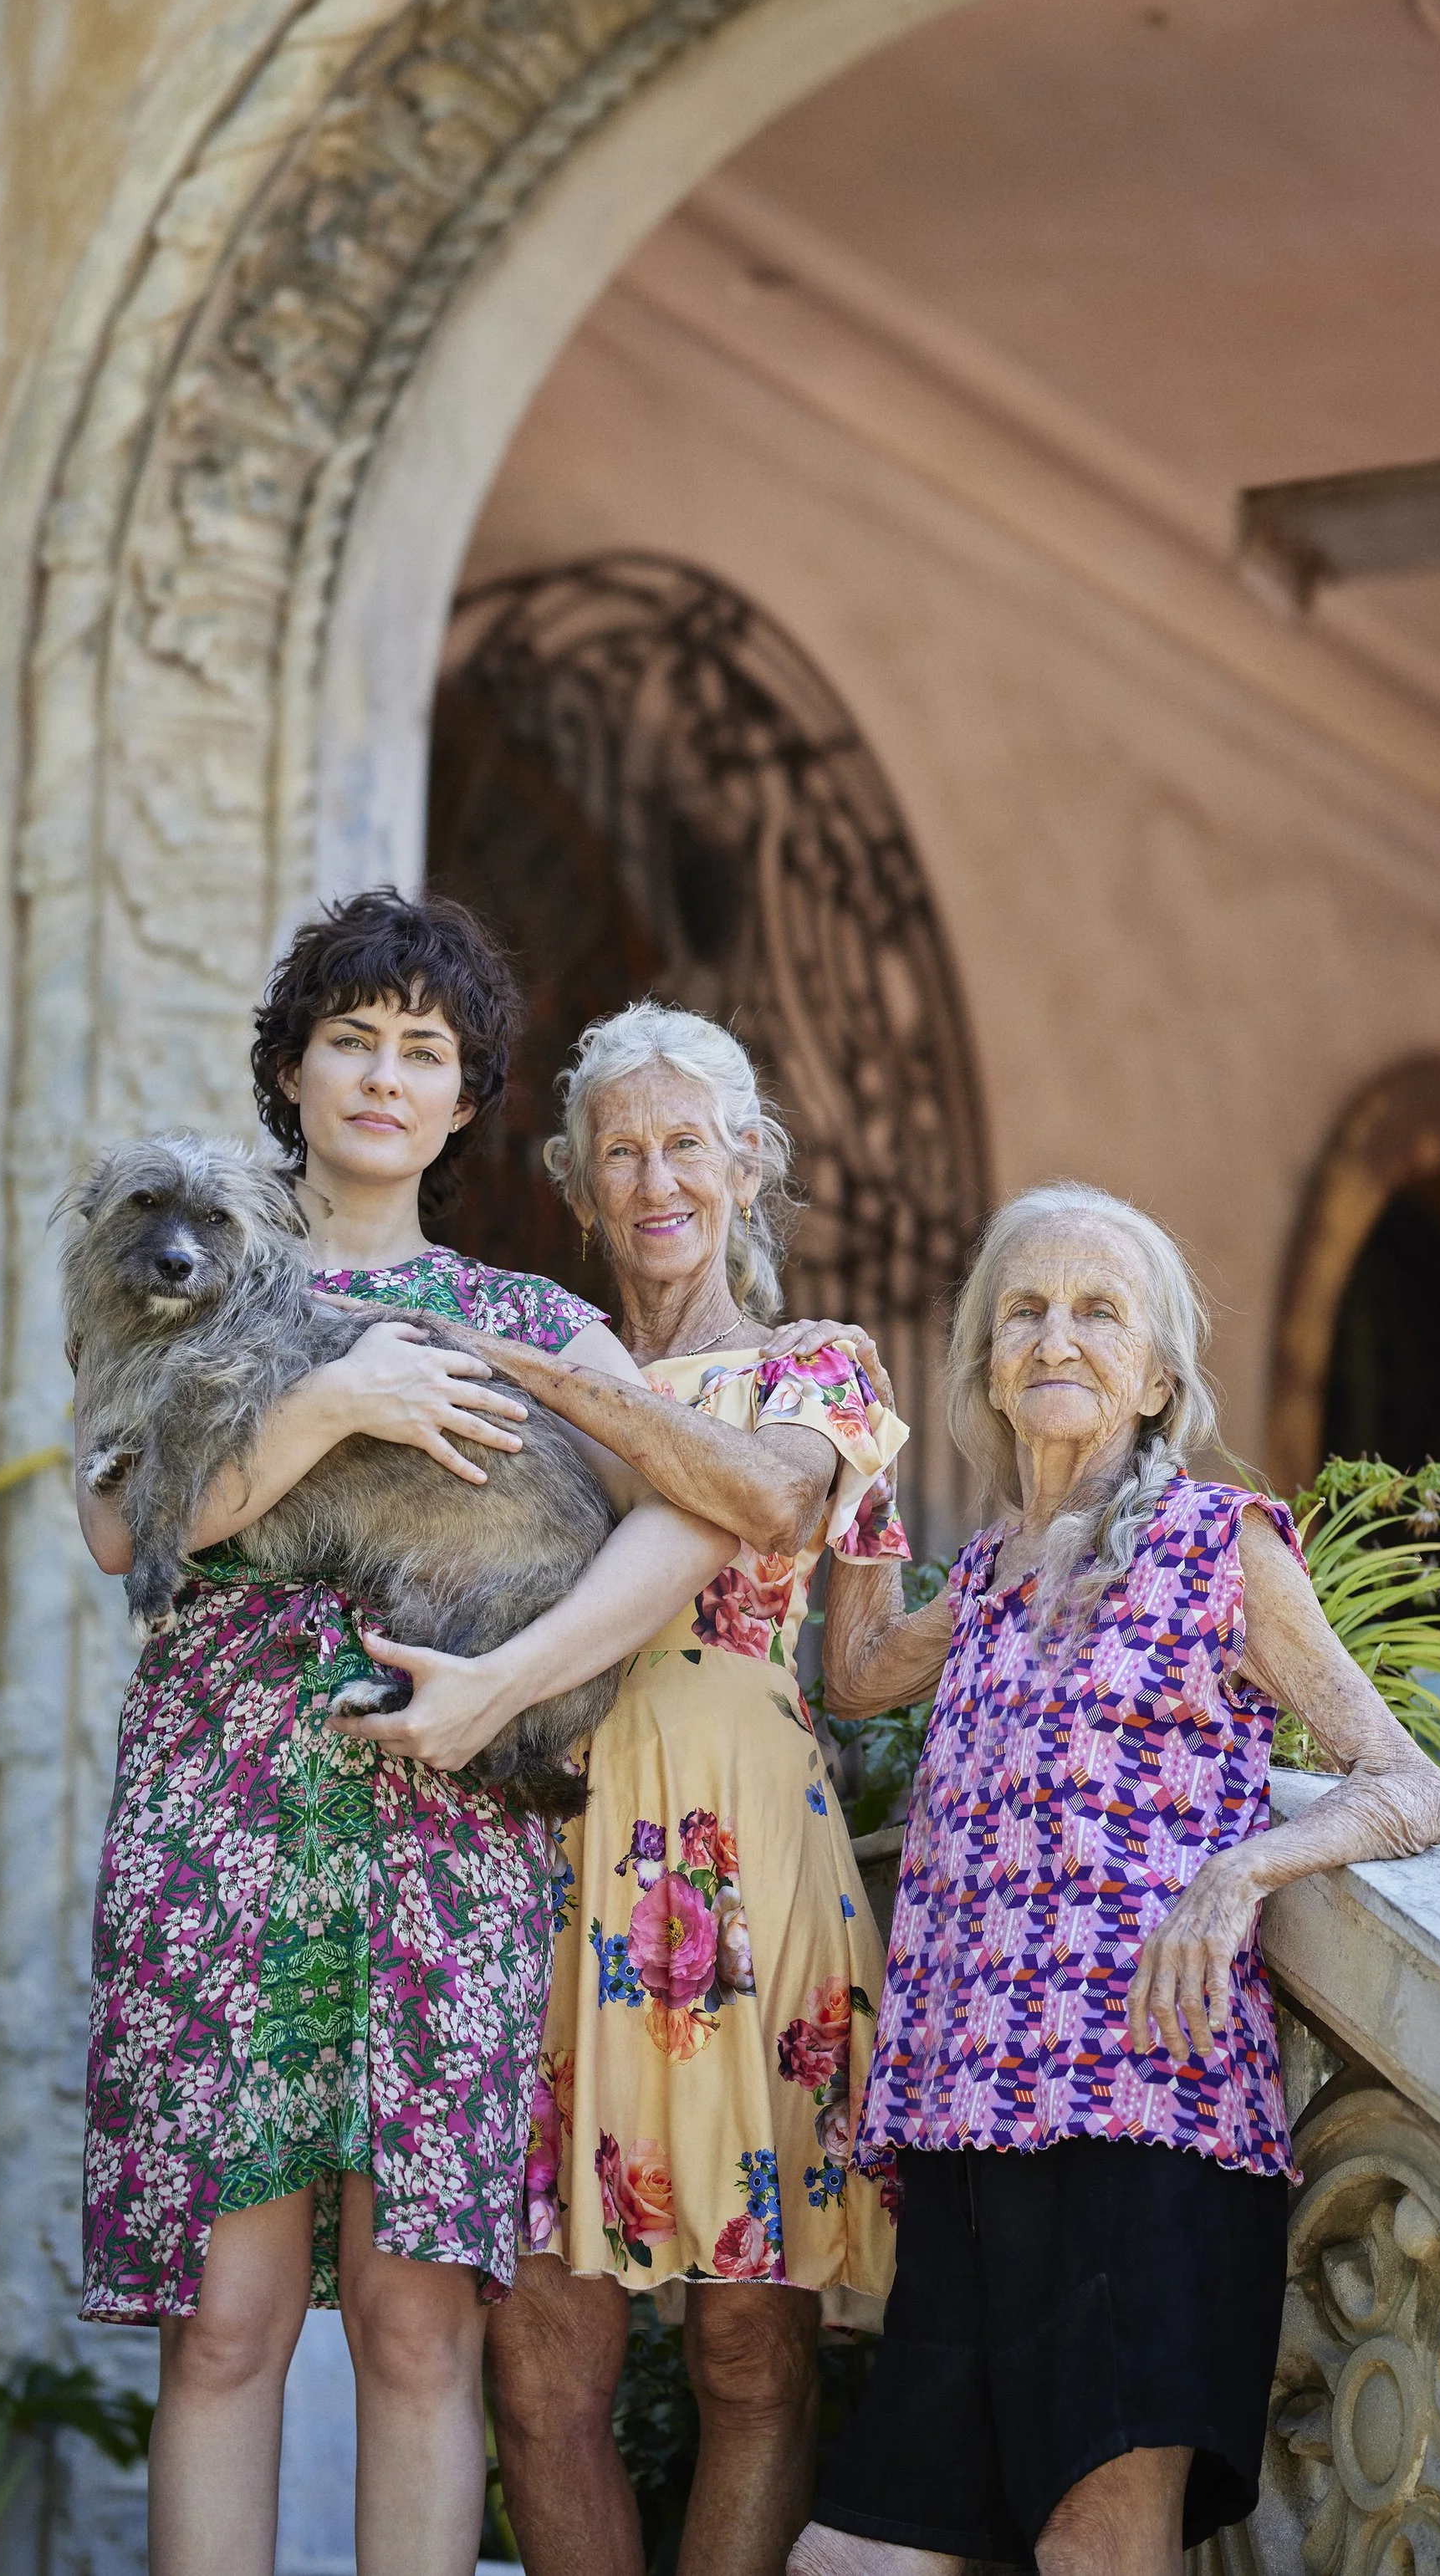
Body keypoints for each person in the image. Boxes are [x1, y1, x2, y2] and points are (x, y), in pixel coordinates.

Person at [74, 892, 736, 2576]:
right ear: (289, 1070)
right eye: (349, 1037)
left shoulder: (530, 1320)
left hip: (447, 1821)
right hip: (222, 1812)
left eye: (421, 1050)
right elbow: (117, 1527)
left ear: (463, 1102)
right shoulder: (189, 1246)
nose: (382, 1073)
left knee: (411, 2323)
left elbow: (699, 1511)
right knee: (222, 2320)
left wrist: (509, 1686)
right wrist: (328, 1400)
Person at [792, 1181, 1440, 2576]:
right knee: (855, 2557)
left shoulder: (1223, 1544)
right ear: (985, 1364)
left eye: (1100, 1312)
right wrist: (851, 1457)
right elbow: (852, 1679)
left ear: (1159, 1377)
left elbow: (1406, 1784)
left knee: (1100, 2545)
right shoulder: (982, 1577)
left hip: (1143, 2127)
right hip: (972, 2137)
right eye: (1023, 1310)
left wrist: (1241, 1876)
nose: (1057, 1337)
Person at [475, 1003, 913, 2576]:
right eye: (619, 1153)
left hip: (751, 1855)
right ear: (582, 1192)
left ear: (746, 1166)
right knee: (539, 2364)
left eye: (685, 1144)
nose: (654, 1179)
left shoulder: (815, 1370)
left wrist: (1061, 1598)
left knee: (749, 2355)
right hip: (545, 1851)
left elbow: (821, 1589)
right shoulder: (538, 1385)